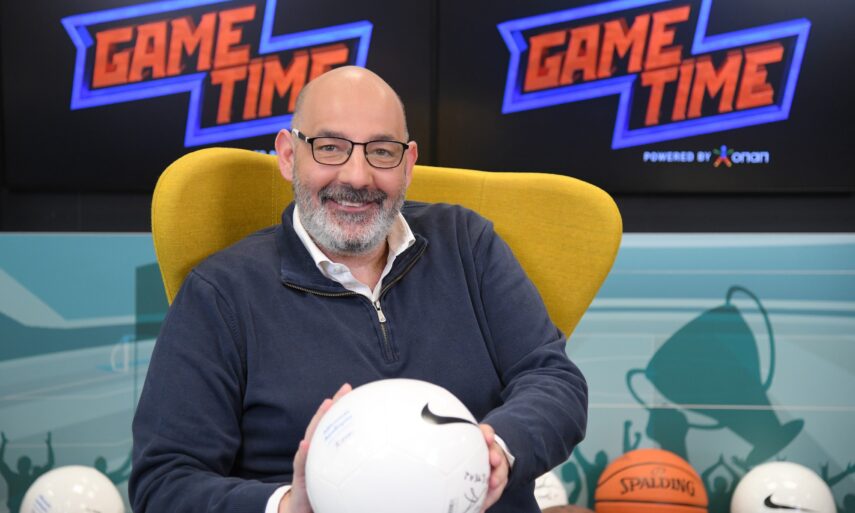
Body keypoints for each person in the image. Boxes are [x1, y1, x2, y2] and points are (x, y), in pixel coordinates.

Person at [129, 66, 587, 513]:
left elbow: (554, 380)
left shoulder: (468, 243)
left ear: (408, 165)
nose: (357, 177)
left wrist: (495, 450)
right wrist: (288, 506)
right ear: (288, 155)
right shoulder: (220, 294)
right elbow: (164, 483)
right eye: (330, 148)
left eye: (381, 152)